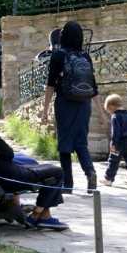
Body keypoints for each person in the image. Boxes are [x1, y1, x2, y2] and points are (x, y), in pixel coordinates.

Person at [0, 90, 68, 230]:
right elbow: (9, 153)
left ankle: (44, 216)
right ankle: (37, 216)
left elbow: (0, 153)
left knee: (43, 168)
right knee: (57, 172)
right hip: (7, 177)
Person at [40, 21, 108, 194]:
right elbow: (93, 87)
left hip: (65, 102)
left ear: (64, 36)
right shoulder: (85, 56)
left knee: (65, 143)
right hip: (84, 104)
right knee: (80, 142)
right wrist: (102, 114)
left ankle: (67, 184)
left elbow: (51, 84)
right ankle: (90, 172)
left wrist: (45, 110)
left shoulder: (58, 55)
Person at [102, 94, 127, 190]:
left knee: (113, 161)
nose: (109, 113)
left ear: (111, 107)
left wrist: (113, 144)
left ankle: (108, 179)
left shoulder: (115, 116)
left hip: (119, 143)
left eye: (109, 111)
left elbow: (116, 132)